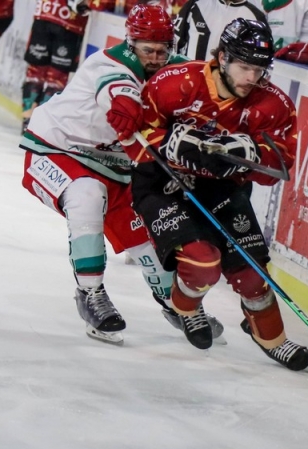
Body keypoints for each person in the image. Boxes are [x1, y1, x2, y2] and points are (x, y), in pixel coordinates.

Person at [20, 4, 224, 345]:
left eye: (162, 50)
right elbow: (120, 94)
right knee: (86, 195)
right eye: (148, 50)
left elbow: (211, 87)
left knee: (152, 245)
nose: (156, 58)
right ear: (131, 44)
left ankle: (179, 307)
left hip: (115, 169)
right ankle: (90, 294)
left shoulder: (176, 70)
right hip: (57, 151)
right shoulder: (110, 64)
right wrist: (131, 116)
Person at [127, 18, 308, 371]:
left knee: (252, 276)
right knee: (202, 264)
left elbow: (279, 166)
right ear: (222, 57)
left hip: (222, 188)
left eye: (259, 69)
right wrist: (168, 147)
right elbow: (136, 134)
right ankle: (186, 308)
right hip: (164, 184)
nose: (252, 78)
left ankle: (272, 338)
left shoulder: (272, 105)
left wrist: (252, 155)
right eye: (244, 67)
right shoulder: (174, 83)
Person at [21, 0, 91, 132]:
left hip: (56, 18)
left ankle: (32, 123)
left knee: (41, 75)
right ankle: (36, 125)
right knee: (47, 77)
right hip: (61, 19)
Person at [173, 0, 266, 60]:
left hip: (228, 87)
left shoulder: (256, 17)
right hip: (190, 82)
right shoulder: (195, 5)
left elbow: (261, 60)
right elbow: (175, 43)